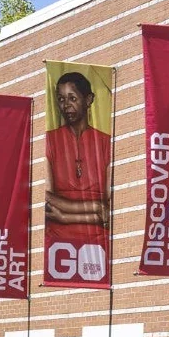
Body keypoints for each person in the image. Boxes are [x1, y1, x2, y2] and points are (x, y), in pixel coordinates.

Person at [45, 71, 110, 236]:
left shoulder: (106, 142)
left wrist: (65, 215)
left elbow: (110, 209)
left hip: (99, 241)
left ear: (88, 100)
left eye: (72, 98)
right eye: (61, 99)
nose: (66, 105)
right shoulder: (50, 140)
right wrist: (95, 207)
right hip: (57, 239)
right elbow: (47, 200)